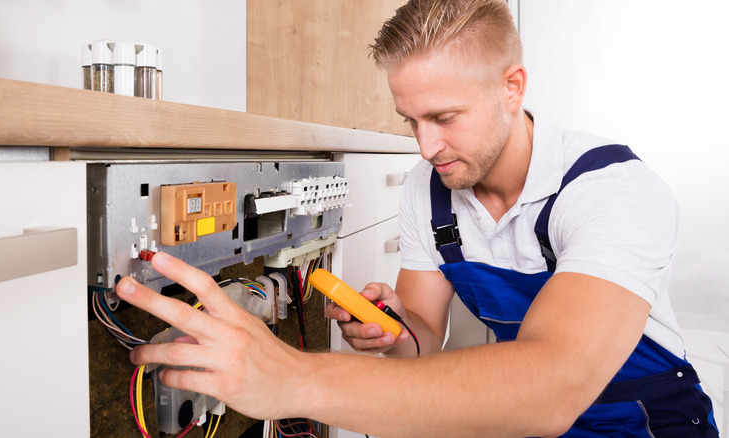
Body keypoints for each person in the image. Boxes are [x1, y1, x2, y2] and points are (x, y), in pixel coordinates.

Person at [118, 0, 720, 436]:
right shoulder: (426, 190)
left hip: (647, 415)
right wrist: (393, 330)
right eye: (411, 121)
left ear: (512, 88)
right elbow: (423, 343)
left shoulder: (611, 189)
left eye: (444, 117)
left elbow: (554, 384)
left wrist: (294, 378)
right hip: (527, 418)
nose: (425, 147)